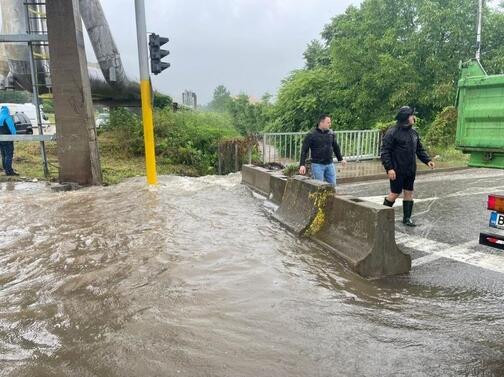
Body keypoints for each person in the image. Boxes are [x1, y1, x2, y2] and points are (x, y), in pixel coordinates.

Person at [381, 106, 435, 227]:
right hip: (396, 169)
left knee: (409, 192)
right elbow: (385, 152)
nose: (413, 117)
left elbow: (419, 149)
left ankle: (407, 218)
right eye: (411, 115)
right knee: (395, 193)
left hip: (410, 169)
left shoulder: (414, 133)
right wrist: (389, 168)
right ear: (406, 118)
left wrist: (428, 160)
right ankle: (381, 216)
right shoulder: (392, 132)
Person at [299, 114, 346, 186]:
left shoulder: (331, 133)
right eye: (328, 122)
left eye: (330, 122)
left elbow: (336, 147)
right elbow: (304, 150)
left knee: (332, 186)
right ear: (321, 122)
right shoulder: (311, 134)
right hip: (317, 165)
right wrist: (302, 165)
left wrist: (341, 159)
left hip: (330, 164)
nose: (330, 124)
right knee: (318, 187)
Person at [0, 106, 18, 176]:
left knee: (3, 154)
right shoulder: (7, 117)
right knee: (9, 155)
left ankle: (5, 169)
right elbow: (12, 129)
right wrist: (15, 137)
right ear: (7, 111)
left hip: (0, 139)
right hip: (7, 139)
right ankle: (9, 171)